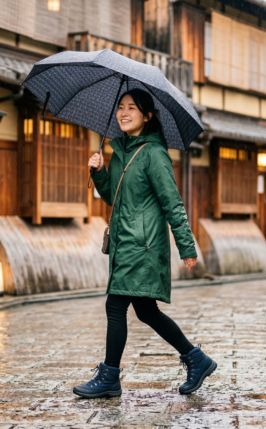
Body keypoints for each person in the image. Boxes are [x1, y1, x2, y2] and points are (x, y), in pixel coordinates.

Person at [73, 88, 217, 399]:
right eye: (121, 108)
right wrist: (98, 173)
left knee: (115, 306)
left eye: (132, 109)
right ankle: (196, 358)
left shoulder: (154, 154)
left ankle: (110, 375)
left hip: (144, 246)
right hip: (125, 244)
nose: (123, 113)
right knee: (147, 312)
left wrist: (187, 246)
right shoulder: (120, 151)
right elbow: (114, 197)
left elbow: (172, 203)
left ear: (147, 115)